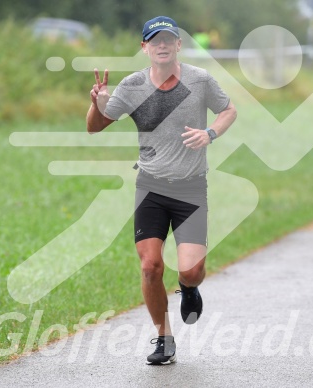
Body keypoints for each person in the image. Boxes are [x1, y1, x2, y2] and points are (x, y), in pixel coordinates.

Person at [86, 16, 237, 365]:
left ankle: (188, 287)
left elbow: (228, 110)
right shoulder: (133, 86)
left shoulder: (200, 80)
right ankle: (163, 338)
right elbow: (94, 128)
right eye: (155, 40)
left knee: (190, 270)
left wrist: (210, 133)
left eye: (169, 38)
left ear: (179, 45)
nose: (162, 45)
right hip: (151, 186)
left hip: (191, 189)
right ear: (145, 47)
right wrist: (97, 103)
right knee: (151, 266)